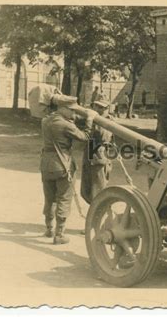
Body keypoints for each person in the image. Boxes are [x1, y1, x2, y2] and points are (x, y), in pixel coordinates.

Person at [40, 100, 97, 244]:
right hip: (62, 165)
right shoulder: (66, 125)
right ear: (63, 108)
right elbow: (85, 137)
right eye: (72, 110)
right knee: (64, 199)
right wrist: (89, 119)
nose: (74, 113)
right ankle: (59, 235)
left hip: (46, 165)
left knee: (49, 198)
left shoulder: (45, 121)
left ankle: (49, 229)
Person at [80, 98, 114, 203]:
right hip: (89, 154)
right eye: (96, 106)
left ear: (107, 109)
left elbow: (103, 137)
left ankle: (99, 215)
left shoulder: (108, 121)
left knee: (98, 191)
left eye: (102, 108)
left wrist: (91, 122)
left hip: (99, 156)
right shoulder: (93, 119)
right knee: (85, 191)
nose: (98, 109)